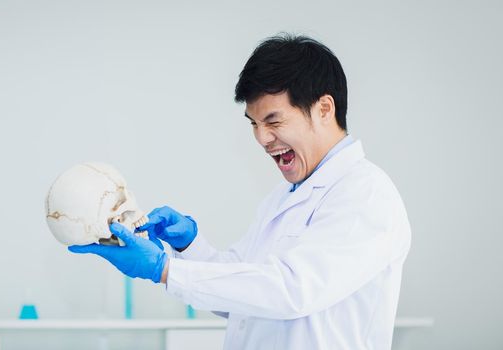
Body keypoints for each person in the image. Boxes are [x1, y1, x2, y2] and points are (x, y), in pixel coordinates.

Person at [69, 33, 411, 349]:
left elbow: (292, 290)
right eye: (254, 124)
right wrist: (188, 245)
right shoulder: (283, 197)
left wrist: (164, 270)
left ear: (324, 109)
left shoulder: (366, 193)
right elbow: (244, 298)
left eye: (274, 122)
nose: (262, 139)